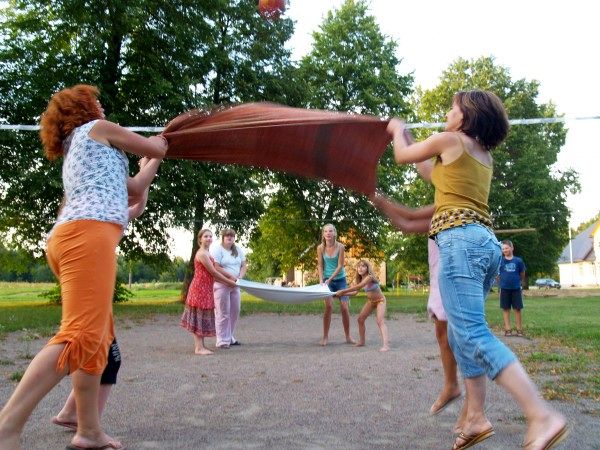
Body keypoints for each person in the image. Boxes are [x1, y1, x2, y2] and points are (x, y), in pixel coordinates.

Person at [388, 89, 567, 450]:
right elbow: (430, 172)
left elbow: (404, 157)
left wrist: (396, 131)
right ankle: (475, 418)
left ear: (465, 116)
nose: (446, 114)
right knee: (459, 335)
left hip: (460, 243)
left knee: (471, 334)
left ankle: (541, 415)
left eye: (451, 109)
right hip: (485, 245)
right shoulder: (481, 155)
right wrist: (407, 134)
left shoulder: (449, 139)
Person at [0, 84, 167, 450]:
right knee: (78, 337)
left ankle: (88, 430)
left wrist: (149, 164)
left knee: (97, 339)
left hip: (77, 237)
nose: (102, 107)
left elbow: (135, 191)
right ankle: (6, 427)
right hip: (85, 238)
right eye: (97, 102)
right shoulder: (97, 129)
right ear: (83, 108)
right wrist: (163, 140)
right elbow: (157, 146)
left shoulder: (83, 151)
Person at [51, 157, 157, 433]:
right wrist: (153, 160)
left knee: (97, 357)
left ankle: (72, 414)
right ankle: (86, 426)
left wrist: (145, 173)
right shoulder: (93, 215)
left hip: (95, 294)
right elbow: (135, 197)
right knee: (103, 358)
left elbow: (137, 204)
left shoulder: (97, 212)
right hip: (91, 292)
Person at [369, 194, 465, 423]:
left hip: (458, 272)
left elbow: (410, 215)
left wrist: (379, 199)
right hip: (440, 277)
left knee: (465, 337)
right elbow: (407, 224)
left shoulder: (454, 201)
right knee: (442, 333)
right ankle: (451, 385)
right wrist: (379, 202)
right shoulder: (440, 209)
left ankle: (474, 409)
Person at [182, 229, 237, 354]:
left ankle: (201, 346)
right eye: (206, 236)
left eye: (210, 236)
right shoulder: (202, 254)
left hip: (206, 289)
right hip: (199, 289)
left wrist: (229, 280)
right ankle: (198, 348)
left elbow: (215, 273)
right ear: (200, 239)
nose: (209, 238)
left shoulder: (207, 253)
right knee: (198, 317)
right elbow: (213, 272)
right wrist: (229, 282)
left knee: (202, 317)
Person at [334, 260, 389, 352]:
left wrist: (343, 291)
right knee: (360, 319)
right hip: (371, 301)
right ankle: (362, 341)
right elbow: (355, 292)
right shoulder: (360, 279)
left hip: (380, 301)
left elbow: (359, 287)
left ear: (367, 268)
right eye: (359, 266)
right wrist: (341, 294)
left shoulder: (369, 277)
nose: (360, 268)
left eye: (363, 266)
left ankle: (386, 345)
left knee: (380, 321)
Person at [316, 223, 355, 346]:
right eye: (326, 231)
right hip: (327, 281)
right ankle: (325, 337)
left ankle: (348, 337)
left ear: (334, 233)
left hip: (340, 280)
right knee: (328, 307)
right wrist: (321, 280)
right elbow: (320, 265)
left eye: (330, 231)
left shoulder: (341, 247)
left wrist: (330, 278)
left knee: (344, 307)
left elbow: (340, 266)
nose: (328, 233)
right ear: (323, 234)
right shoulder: (320, 248)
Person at [210, 228, 246, 348]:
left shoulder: (238, 250)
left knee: (235, 311)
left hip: (235, 285)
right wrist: (230, 277)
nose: (230, 237)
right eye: (227, 236)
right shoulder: (217, 249)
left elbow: (244, 265)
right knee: (223, 313)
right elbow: (216, 267)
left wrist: (239, 278)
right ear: (223, 237)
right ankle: (221, 340)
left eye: (232, 236)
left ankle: (229, 337)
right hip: (222, 284)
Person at [498, 240, 526, 337]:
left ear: (512, 248)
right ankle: (508, 329)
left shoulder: (518, 261)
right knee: (506, 308)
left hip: (516, 288)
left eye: (506, 248)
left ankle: (519, 329)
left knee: (517, 309)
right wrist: (501, 282)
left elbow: (522, 273)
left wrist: (518, 281)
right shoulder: (500, 261)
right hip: (504, 289)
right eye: (503, 249)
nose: (505, 250)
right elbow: (497, 275)